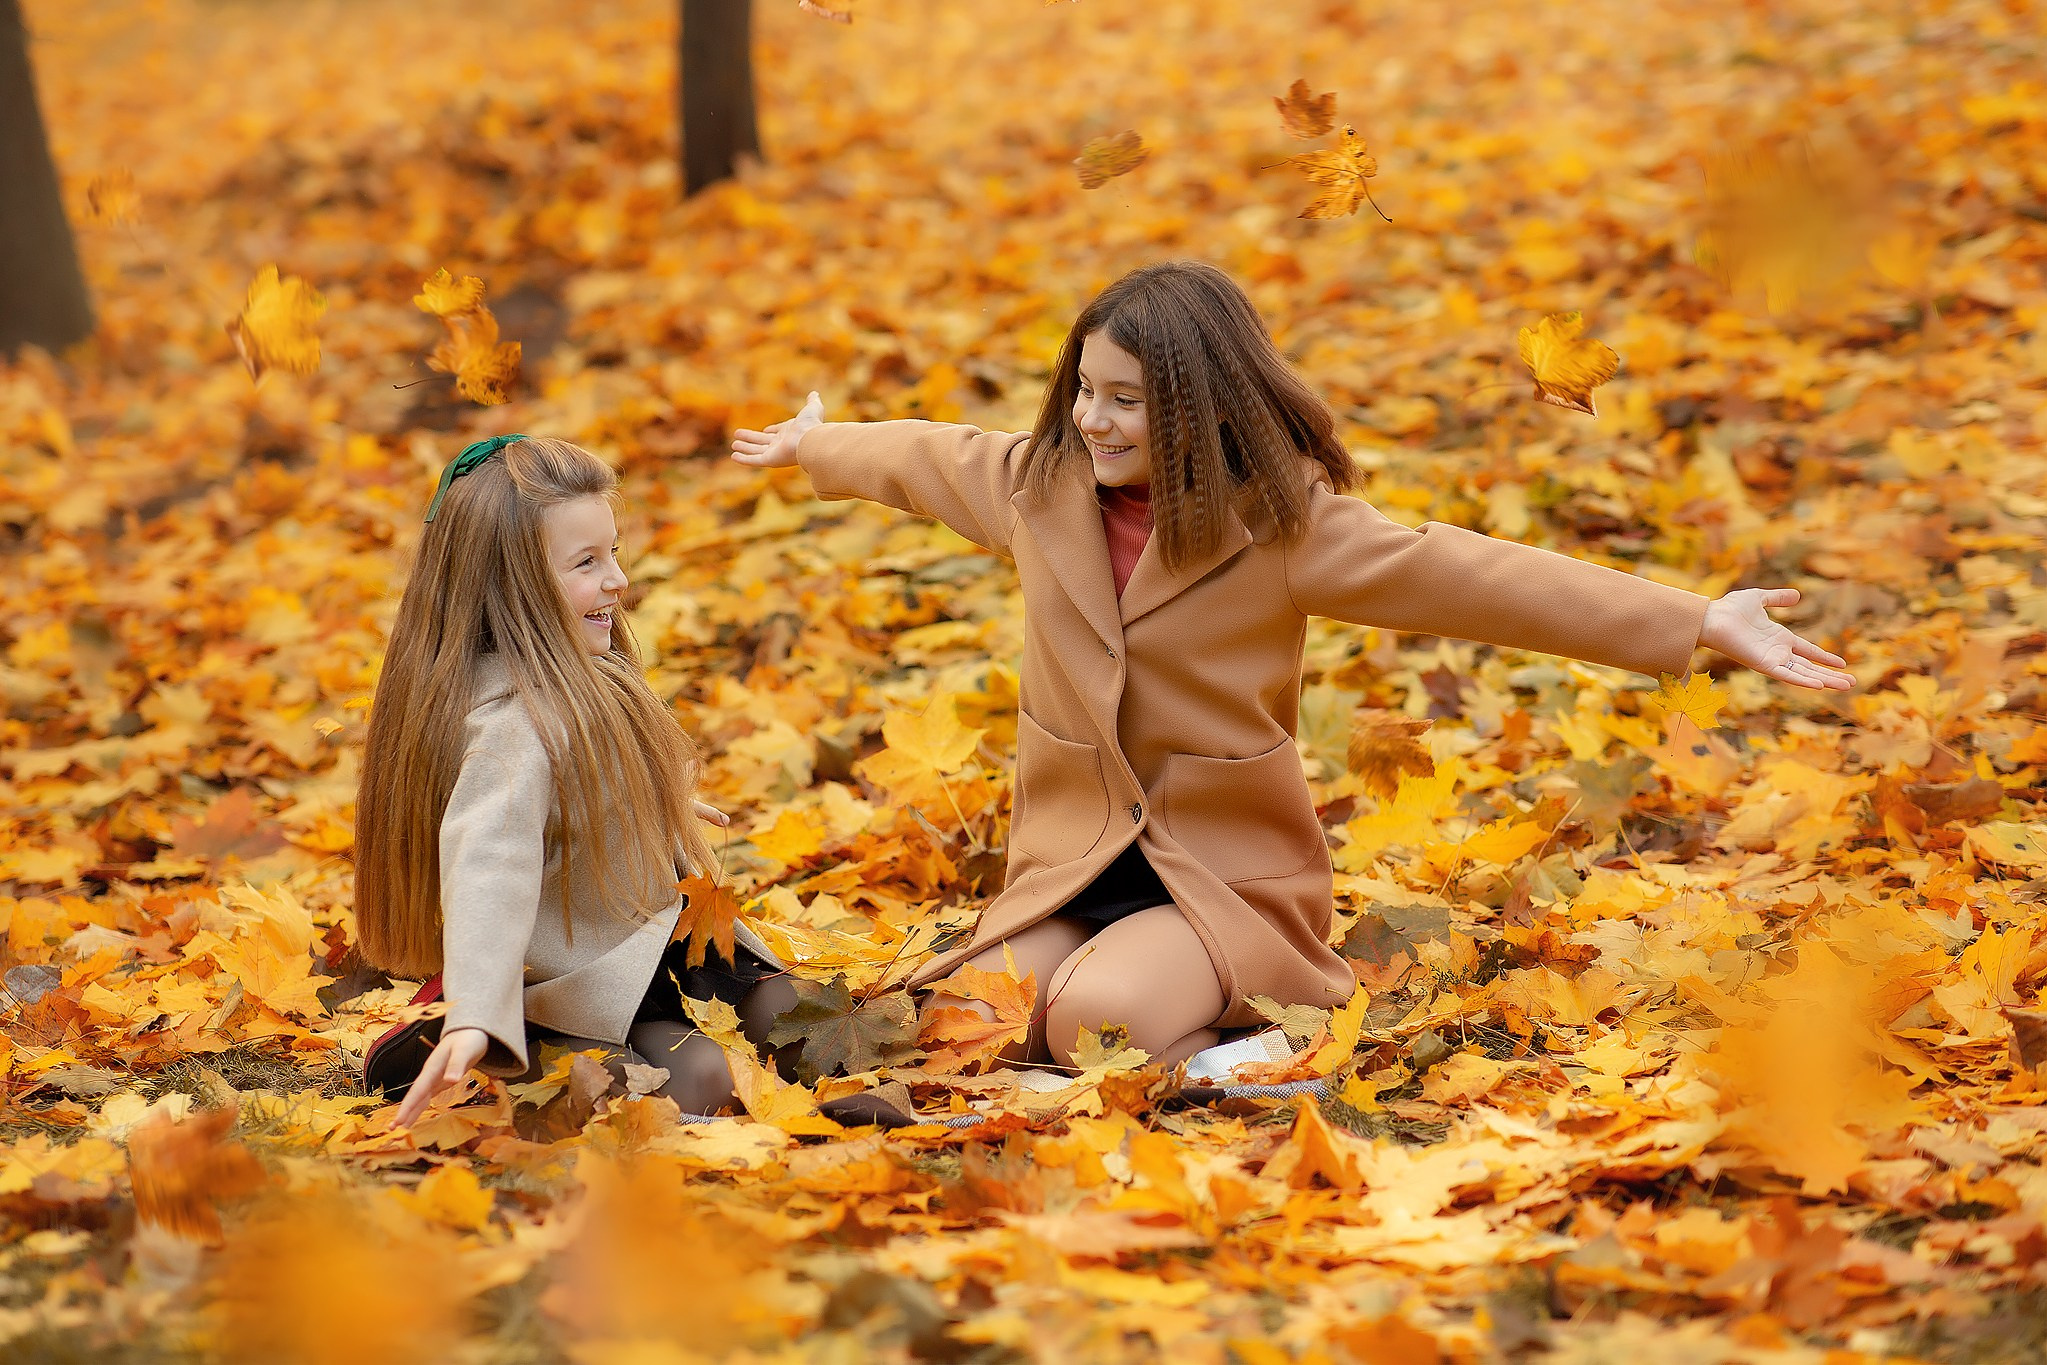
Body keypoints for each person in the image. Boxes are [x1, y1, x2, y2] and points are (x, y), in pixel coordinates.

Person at [730, 259, 1854, 1074]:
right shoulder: (1038, 488)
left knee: (1094, 1030)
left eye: (1126, 399)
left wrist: (1699, 618)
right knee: (969, 1019)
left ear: (1195, 405)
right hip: (1072, 857)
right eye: (1085, 390)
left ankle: (1265, 1044)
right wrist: (810, 446)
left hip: (1219, 869)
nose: (1095, 419)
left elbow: (1475, 575)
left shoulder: (1282, 526)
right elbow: (924, 453)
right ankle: (1131, 1010)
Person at [354, 434, 795, 1125]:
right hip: (574, 985)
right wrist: (474, 1013)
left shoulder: (588, 671)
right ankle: (461, 1046)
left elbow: (589, 788)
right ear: (512, 587)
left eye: (612, 552)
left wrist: (659, 801)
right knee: (703, 1081)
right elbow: (488, 865)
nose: (617, 579)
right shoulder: (512, 726)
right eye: (587, 562)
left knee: (794, 1019)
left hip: (656, 948)